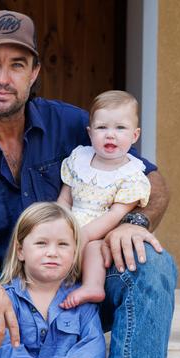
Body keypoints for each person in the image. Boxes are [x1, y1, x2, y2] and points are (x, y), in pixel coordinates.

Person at [0, 9, 177, 358]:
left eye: (17, 65)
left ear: (34, 72)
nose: (3, 77)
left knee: (152, 263)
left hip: (74, 290)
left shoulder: (73, 125)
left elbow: (152, 179)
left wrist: (132, 223)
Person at [58, 90, 151, 309]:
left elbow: (115, 215)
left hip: (100, 233)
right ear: (90, 133)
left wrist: (83, 236)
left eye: (120, 128)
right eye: (102, 127)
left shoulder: (130, 174)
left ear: (135, 135)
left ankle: (93, 286)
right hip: (70, 225)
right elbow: (64, 199)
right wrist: (57, 227)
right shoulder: (79, 159)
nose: (110, 135)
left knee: (95, 248)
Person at [0, 202, 106, 358]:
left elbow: (94, 348)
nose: (52, 253)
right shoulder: (6, 299)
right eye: (41, 243)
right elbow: (5, 351)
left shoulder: (81, 301)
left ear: (75, 253)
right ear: (20, 251)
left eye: (63, 244)